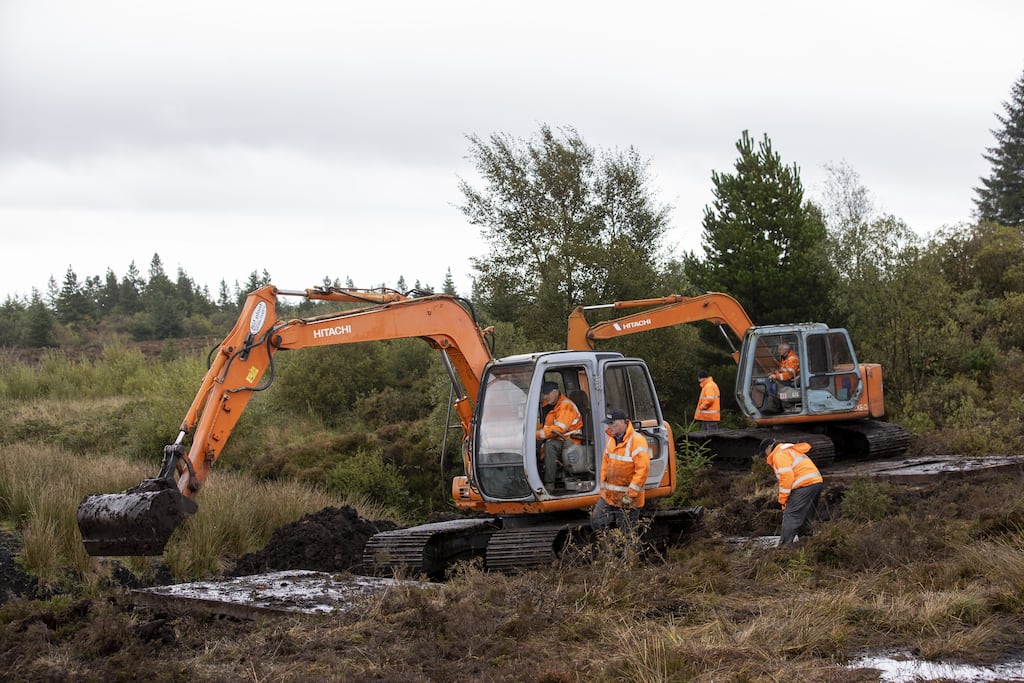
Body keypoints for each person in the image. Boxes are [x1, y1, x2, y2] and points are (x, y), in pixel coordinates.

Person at [590, 408, 651, 534]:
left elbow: (642, 470)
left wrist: (630, 495)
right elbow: (605, 466)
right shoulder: (611, 440)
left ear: (623, 422)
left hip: (629, 499)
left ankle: (628, 553)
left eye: (613, 423)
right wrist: (603, 489)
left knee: (627, 534)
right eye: (608, 424)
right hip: (609, 496)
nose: (610, 426)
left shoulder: (637, 441)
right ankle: (609, 548)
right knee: (597, 521)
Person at [759, 438, 823, 545]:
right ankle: (807, 543)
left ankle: (784, 547)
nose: (766, 456)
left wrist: (783, 499)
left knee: (791, 514)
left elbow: (787, 477)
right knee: (804, 514)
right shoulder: (788, 450)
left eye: (765, 453)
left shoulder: (778, 454)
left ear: (769, 447)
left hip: (804, 485)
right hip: (815, 483)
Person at [536, 381, 583, 488]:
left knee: (550, 446)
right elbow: (546, 427)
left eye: (547, 393)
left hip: (570, 440)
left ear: (555, 392)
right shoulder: (551, 406)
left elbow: (559, 429)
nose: (545, 396)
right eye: (543, 394)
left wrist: (537, 435)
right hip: (560, 439)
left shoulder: (566, 406)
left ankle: (549, 484)